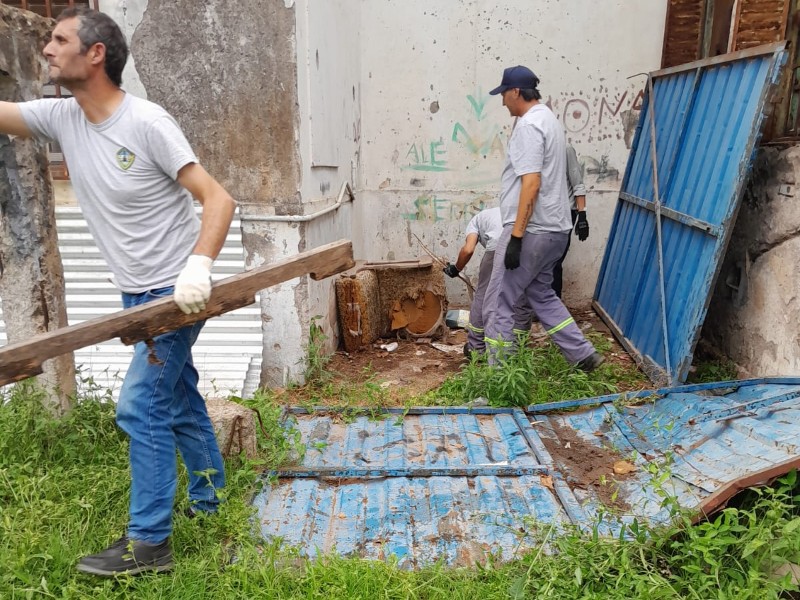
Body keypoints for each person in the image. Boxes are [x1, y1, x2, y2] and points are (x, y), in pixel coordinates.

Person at [0, 8, 236, 576]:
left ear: (96, 53)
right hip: (135, 293)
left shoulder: (147, 123)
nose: (48, 50)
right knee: (175, 395)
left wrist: (198, 267)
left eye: (60, 40)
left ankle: (149, 544)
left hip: (176, 292)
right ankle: (211, 503)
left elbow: (218, 198)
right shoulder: (63, 117)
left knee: (140, 404)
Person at [481, 65, 603, 372]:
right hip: (556, 232)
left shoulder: (529, 125)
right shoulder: (550, 120)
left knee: (498, 302)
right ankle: (582, 353)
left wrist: (517, 237)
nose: (502, 102)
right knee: (541, 294)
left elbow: (531, 183)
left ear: (516, 92)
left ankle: (499, 377)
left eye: (504, 95)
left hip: (532, 231)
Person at [443, 206, 503, 355]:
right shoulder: (502, 212)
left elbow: (468, 250)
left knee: (483, 295)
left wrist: (456, 268)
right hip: (525, 245)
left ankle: (476, 346)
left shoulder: (475, 222)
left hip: (498, 247)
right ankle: (514, 345)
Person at [552, 144, 589, 298]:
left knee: (554, 262)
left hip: (565, 214)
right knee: (541, 262)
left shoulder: (565, 149)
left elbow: (577, 183)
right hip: (545, 214)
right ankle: (544, 305)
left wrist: (582, 216)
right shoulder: (536, 149)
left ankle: (554, 306)